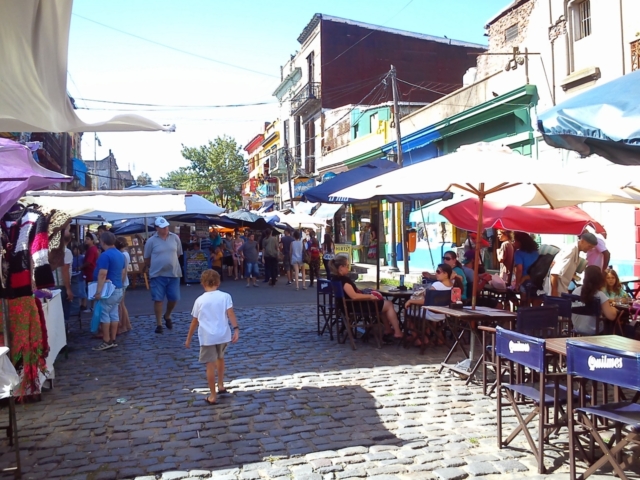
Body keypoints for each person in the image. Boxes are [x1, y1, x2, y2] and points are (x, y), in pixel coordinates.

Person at [185, 269, 239, 405]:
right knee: (220, 359)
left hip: (208, 337)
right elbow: (230, 313)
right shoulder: (225, 296)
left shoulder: (200, 300)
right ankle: (221, 384)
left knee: (210, 365)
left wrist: (188, 338)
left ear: (203, 283)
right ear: (218, 282)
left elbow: (194, 321)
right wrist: (236, 329)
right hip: (223, 335)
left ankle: (212, 395)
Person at [330, 255, 403, 340]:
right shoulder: (344, 280)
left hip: (347, 306)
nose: (348, 268)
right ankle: (398, 332)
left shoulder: (334, 279)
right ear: (341, 267)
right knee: (389, 304)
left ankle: (388, 329)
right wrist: (370, 296)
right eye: (347, 265)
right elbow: (354, 296)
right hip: (356, 306)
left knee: (383, 305)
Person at [404, 263, 462, 347]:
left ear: (446, 274)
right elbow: (459, 278)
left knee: (407, 312)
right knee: (424, 316)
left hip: (432, 313)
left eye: (438, 272)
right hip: (445, 314)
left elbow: (426, 301)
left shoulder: (437, 285)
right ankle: (431, 338)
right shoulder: (453, 285)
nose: (436, 274)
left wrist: (410, 301)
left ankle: (417, 337)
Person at [143, 217, 183, 334]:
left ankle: (167, 315)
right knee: (158, 299)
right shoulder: (151, 241)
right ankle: (159, 323)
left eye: (166, 226)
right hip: (158, 274)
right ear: (156, 228)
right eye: (162, 227)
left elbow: (178, 253)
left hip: (174, 273)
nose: (165, 229)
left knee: (174, 298)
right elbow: (147, 258)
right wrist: (156, 265)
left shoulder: (175, 238)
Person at [92, 232, 126, 351]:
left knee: (104, 314)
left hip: (108, 290)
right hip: (118, 288)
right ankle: (113, 339)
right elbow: (122, 272)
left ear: (103, 242)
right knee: (114, 314)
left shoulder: (105, 255)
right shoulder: (120, 255)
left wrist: (98, 291)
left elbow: (102, 274)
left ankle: (106, 340)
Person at [545, 232, 598, 297]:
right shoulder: (570, 250)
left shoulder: (576, 251)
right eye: (589, 246)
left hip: (562, 290)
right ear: (582, 241)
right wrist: (554, 292)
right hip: (555, 292)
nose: (589, 249)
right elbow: (554, 273)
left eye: (592, 248)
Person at [571, 266, 617, 336]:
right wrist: (614, 309)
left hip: (577, 328)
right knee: (609, 323)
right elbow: (611, 316)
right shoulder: (599, 295)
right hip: (594, 330)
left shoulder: (575, 291)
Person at [53, 229, 73, 324]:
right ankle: (64, 331)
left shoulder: (52, 250)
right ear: (69, 240)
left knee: (55, 312)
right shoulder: (66, 252)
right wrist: (68, 289)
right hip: (61, 284)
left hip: (53, 283)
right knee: (63, 311)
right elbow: (65, 271)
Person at [115, 236, 132, 334]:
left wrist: (120, 282)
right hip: (124, 281)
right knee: (122, 304)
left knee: (121, 305)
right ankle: (127, 324)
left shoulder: (123, 255)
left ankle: (124, 325)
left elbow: (124, 271)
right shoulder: (125, 254)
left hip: (122, 282)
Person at [81, 232, 100, 311]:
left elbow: (89, 262)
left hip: (90, 272)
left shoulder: (92, 249)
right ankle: (91, 306)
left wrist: (80, 267)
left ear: (93, 240)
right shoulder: (92, 249)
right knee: (90, 289)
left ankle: (92, 307)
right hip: (91, 272)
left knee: (91, 290)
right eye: (86, 238)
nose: (86, 240)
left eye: (88, 239)